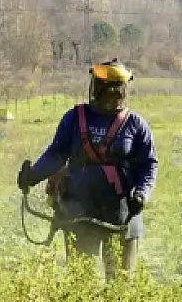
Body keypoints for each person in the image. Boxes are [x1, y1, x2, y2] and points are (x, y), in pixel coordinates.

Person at [18, 59, 158, 277]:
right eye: (107, 88)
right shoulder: (74, 118)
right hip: (79, 212)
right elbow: (56, 154)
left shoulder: (135, 124)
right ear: (97, 87)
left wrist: (142, 193)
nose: (111, 94)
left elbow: (148, 164)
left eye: (116, 88)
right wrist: (33, 175)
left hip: (123, 214)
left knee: (120, 284)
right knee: (81, 281)